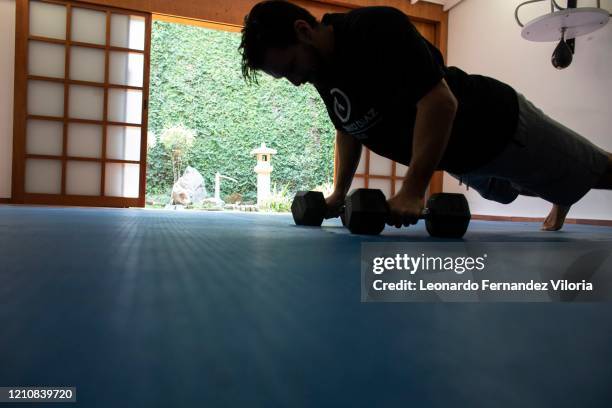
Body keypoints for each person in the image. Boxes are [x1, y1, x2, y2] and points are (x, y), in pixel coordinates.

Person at [239, 0, 612, 231]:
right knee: (510, 190)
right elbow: (347, 128)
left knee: (599, 172)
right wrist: (339, 193)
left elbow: (439, 103)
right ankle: (562, 189)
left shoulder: (375, 29)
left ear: (303, 31)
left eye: (288, 68)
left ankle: (569, 183)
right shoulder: (319, 69)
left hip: (499, 125)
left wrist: (413, 189)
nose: (294, 81)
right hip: (461, 159)